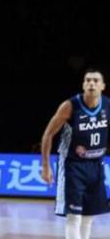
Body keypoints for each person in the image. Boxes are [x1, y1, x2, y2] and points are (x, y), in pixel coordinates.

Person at [41, 70, 110, 239]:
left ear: (102, 86)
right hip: (72, 165)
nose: (91, 83)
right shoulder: (70, 106)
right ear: (83, 85)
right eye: (88, 80)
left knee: (88, 217)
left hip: (96, 164)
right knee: (74, 217)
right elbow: (48, 134)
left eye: (96, 80)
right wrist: (46, 166)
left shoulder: (107, 105)